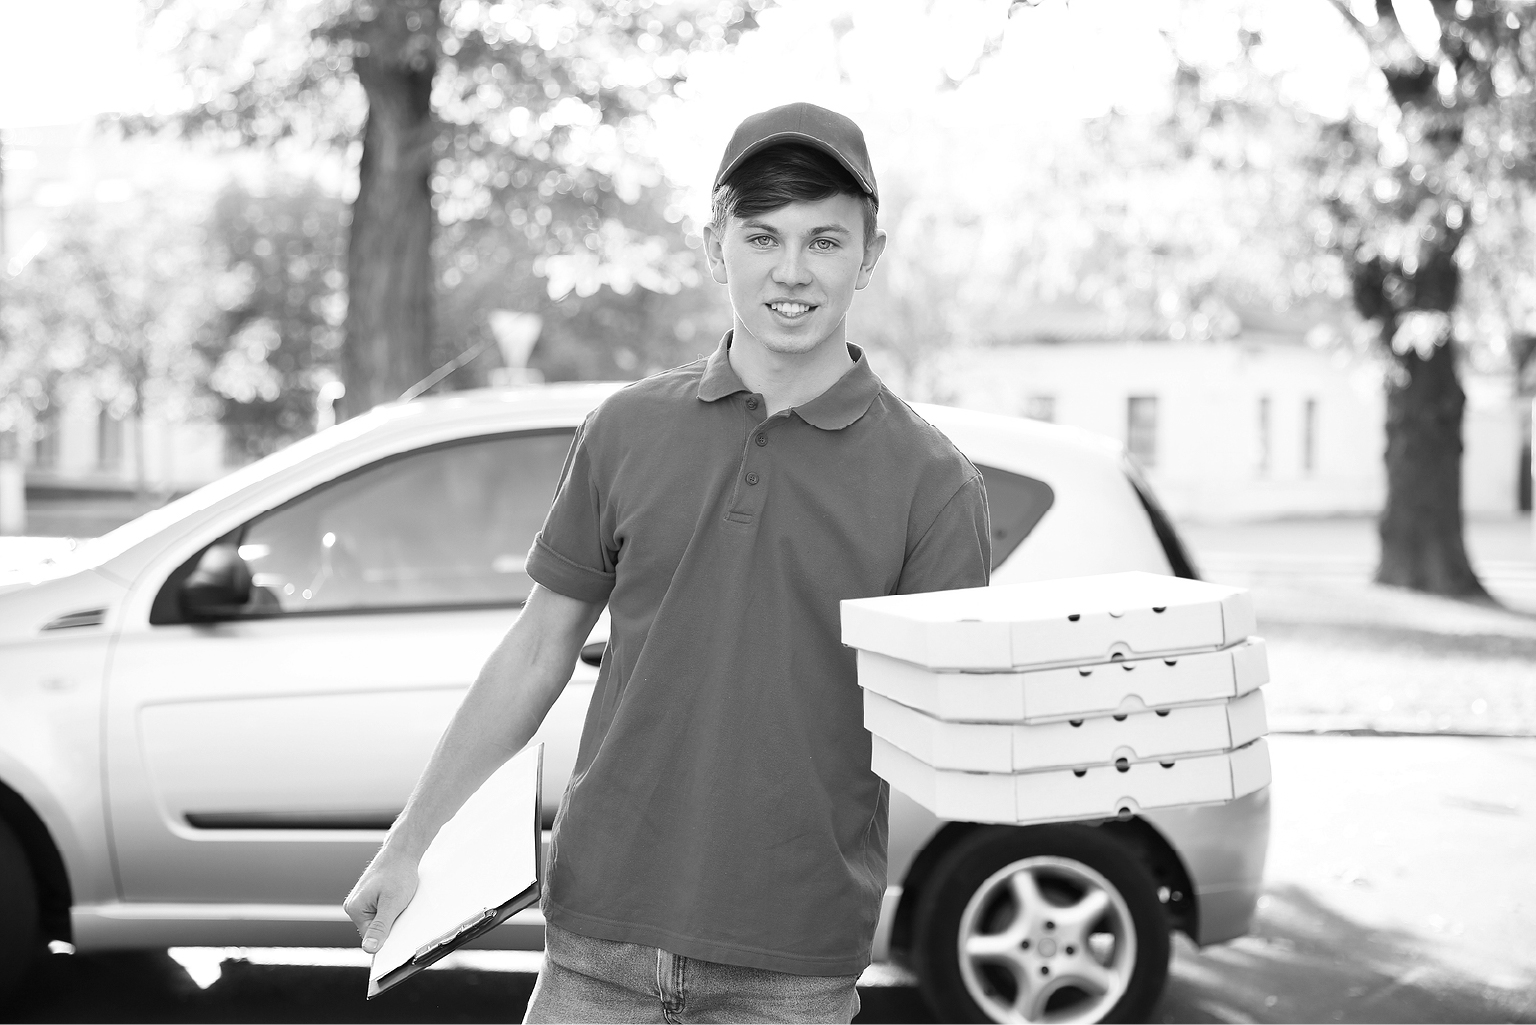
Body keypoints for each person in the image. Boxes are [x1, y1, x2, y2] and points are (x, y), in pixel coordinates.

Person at [344, 102, 991, 1024]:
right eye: (762, 236)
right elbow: (536, 652)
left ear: (870, 253)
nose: (792, 272)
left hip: (791, 965)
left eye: (825, 241)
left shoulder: (933, 483)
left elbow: (952, 727)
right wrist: (410, 841)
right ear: (712, 242)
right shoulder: (626, 429)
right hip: (595, 943)